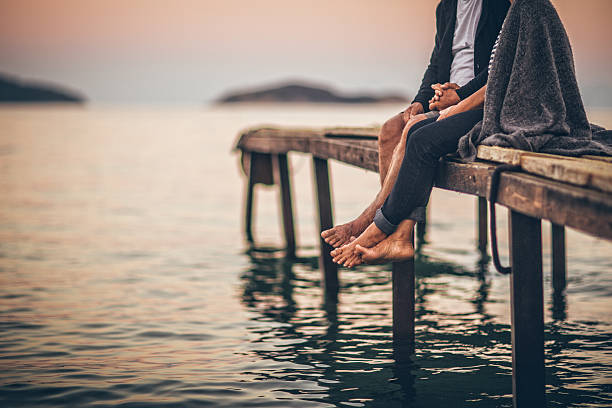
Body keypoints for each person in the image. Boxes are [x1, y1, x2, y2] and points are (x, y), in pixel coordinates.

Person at [331, 0, 612, 268]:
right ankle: (393, 233)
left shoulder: (527, 9)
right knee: (400, 130)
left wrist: (458, 101)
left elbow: (506, 78)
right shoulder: (511, 11)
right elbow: (484, 68)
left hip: (504, 112)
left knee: (418, 136)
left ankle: (375, 229)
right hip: (487, 105)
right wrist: (427, 99)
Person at [321, 0, 509, 248]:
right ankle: (395, 229)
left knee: (414, 129)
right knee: (390, 129)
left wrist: (460, 95)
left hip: (474, 104)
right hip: (442, 100)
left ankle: (372, 220)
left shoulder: (497, 6)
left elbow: (499, 67)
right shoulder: (446, 7)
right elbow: (436, 64)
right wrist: (419, 102)